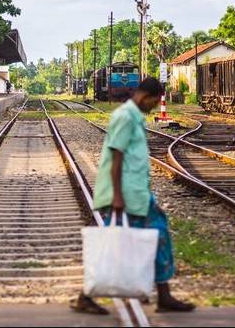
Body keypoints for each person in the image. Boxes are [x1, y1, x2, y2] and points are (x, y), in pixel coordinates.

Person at [74, 77, 196, 315]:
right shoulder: (125, 117)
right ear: (146, 97)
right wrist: (117, 196)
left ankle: (164, 295)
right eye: (156, 101)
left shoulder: (134, 117)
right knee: (113, 245)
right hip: (123, 195)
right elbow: (116, 156)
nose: (155, 106)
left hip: (137, 193)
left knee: (158, 234)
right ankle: (86, 296)